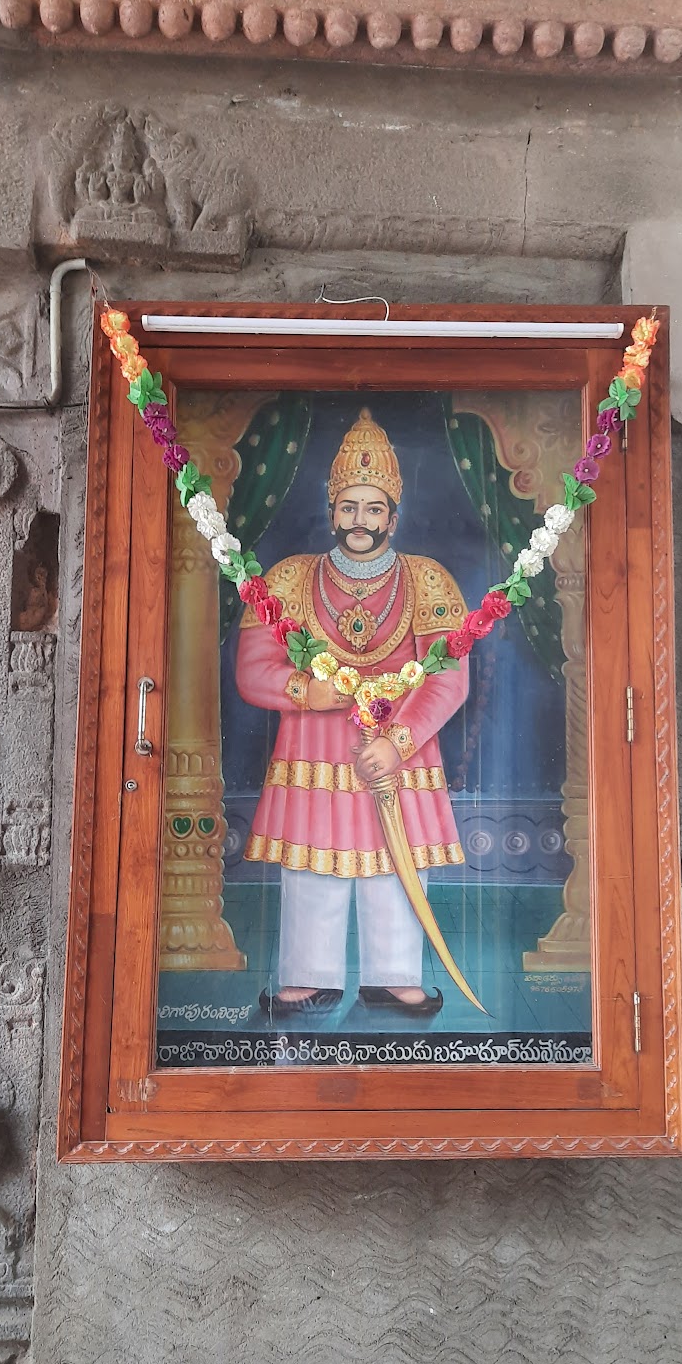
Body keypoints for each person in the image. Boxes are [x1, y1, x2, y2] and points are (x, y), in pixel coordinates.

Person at [235, 407, 469, 1020]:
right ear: (331, 509)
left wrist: (399, 740)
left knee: (394, 865)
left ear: (394, 515)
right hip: (312, 752)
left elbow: (448, 678)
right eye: (349, 507)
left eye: (373, 508)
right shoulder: (288, 581)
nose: (359, 521)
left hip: (398, 755)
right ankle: (307, 977)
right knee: (314, 864)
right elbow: (252, 670)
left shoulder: (428, 581)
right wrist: (306, 691)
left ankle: (393, 976)